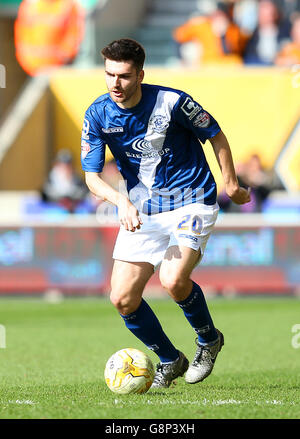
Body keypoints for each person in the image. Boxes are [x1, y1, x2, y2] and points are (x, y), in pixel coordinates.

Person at [81, 38, 250, 388]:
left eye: (124, 76)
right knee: (123, 299)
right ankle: (171, 359)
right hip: (143, 209)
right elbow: (92, 177)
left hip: (192, 200)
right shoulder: (97, 114)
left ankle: (208, 339)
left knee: (172, 280)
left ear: (140, 74)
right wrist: (122, 202)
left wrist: (230, 184)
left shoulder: (174, 102)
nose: (115, 83)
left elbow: (215, 135)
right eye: (109, 74)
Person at [173, 2, 249, 66]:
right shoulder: (202, 26)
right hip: (206, 65)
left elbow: (238, 49)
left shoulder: (233, 30)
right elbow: (179, 35)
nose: (218, 18)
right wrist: (181, 59)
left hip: (228, 66)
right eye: (216, 15)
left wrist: (224, 35)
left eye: (221, 15)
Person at [243, 0, 291, 65]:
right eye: (261, 9)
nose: (263, 13)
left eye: (266, 8)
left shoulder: (284, 32)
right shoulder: (252, 35)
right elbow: (248, 58)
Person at [42, 149, 88, 213]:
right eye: (62, 165)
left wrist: (71, 200)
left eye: (68, 165)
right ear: (56, 164)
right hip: (54, 212)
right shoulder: (50, 180)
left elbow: (83, 193)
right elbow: (47, 196)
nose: (65, 168)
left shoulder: (78, 179)